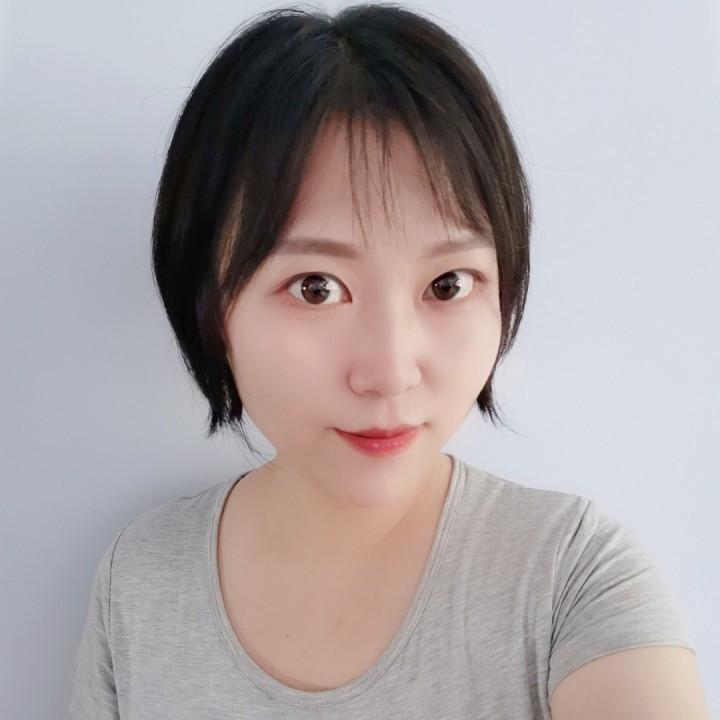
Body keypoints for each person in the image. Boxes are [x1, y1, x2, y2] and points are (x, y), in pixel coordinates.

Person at [70, 4, 711, 718]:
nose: (391, 372)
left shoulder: (572, 580)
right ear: (212, 307)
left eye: (448, 285)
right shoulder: (140, 582)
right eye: (316, 288)